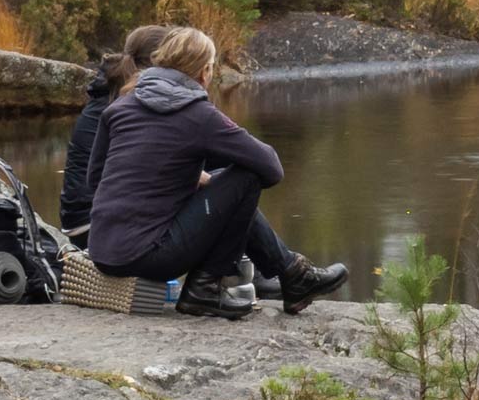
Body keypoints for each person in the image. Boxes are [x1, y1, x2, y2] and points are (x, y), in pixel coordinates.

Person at [78, 26, 350, 317]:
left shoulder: (120, 107)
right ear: (204, 72)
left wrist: (187, 180)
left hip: (103, 250)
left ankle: (293, 274)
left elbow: (96, 181)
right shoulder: (199, 115)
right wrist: (197, 183)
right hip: (150, 257)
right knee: (243, 178)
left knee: (221, 182)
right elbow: (271, 167)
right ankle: (205, 288)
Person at [59, 25, 153, 246]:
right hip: (97, 224)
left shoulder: (110, 93)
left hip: (79, 219)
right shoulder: (136, 100)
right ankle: (222, 276)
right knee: (227, 190)